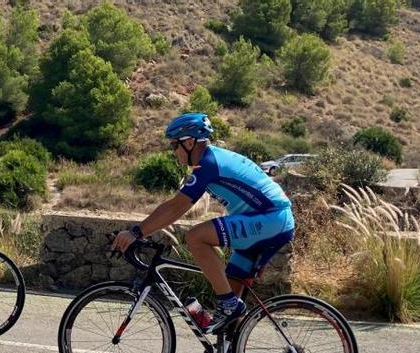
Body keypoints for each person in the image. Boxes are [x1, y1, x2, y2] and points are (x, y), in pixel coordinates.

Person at [112, 113, 295, 333]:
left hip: (270, 219)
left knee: (195, 237)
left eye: (174, 145)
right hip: (271, 220)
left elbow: (176, 207)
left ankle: (229, 306)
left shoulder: (208, 164)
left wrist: (136, 232)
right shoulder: (213, 159)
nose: (173, 152)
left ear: (189, 142)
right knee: (230, 290)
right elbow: (175, 206)